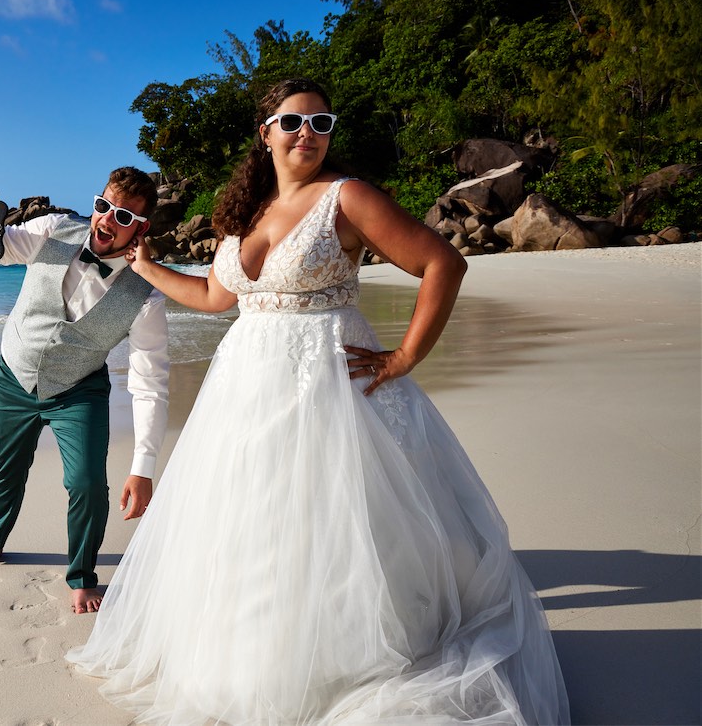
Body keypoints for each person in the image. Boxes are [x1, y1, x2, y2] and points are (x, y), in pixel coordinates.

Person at [66, 79, 570, 723]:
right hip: (247, 384)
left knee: (333, 519)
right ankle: (256, 660)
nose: (307, 132)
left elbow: (443, 263)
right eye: (293, 121)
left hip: (330, 383)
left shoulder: (347, 196)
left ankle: (349, 658)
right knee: (254, 522)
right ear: (266, 132)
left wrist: (405, 356)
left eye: (320, 122)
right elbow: (218, 299)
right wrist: (143, 267)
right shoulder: (246, 209)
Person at [0, 167, 170, 615]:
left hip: (78, 390)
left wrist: (143, 467)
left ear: (141, 227)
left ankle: (83, 577)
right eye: (103, 206)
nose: (106, 220)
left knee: (86, 482)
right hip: (13, 375)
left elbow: (150, 381)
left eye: (123, 216)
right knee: (5, 470)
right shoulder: (52, 230)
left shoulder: (147, 295)